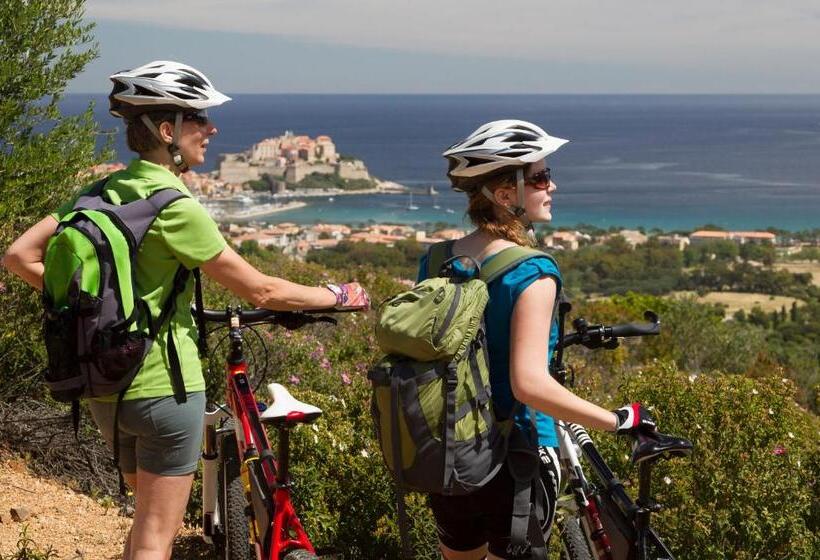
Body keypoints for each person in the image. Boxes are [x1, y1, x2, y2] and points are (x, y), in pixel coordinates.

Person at [1, 60, 369, 560]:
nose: (211, 129)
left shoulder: (96, 192)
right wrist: (339, 295)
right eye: (199, 119)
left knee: (144, 523)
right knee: (156, 537)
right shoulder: (174, 205)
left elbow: (19, 256)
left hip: (103, 387)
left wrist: (99, 306)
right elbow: (260, 289)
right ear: (167, 130)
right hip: (164, 389)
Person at [419, 120, 655, 560]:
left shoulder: (435, 259)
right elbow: (529, 383)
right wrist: (616, 421)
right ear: (506, 194)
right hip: (517, 458)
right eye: (542, 176)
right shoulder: (532, 271)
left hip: (448, 456)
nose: (553, 185)